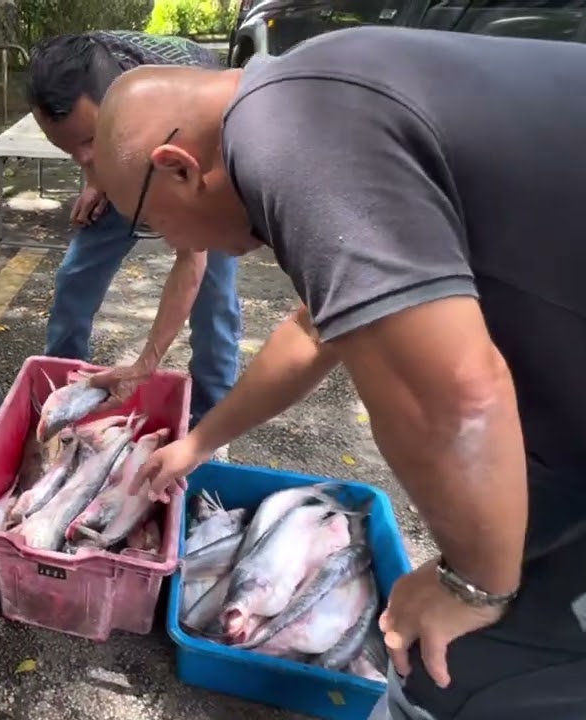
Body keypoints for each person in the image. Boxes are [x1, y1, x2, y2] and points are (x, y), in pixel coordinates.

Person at [89, 25, 586, 720]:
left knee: (444, 679)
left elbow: (451, 396)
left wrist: (473, 586)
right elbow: (311, 332)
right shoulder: (305, 98)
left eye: (151, 223)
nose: (171, 241)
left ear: (178, 167)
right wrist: (198, 444)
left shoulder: (291, 138)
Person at [26, 31, 242, 431]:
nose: (83, 158)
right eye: (69, 150)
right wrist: (95, 179)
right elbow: (85, 147)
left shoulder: (192, 119)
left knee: (214, 302)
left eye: (91, 141)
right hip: (129, 146)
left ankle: (210, 424)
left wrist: (146, 363)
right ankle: (63, 396)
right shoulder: (78, 82)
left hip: (189, 146)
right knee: (75, 276)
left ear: (118, 109)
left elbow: (191, 262)